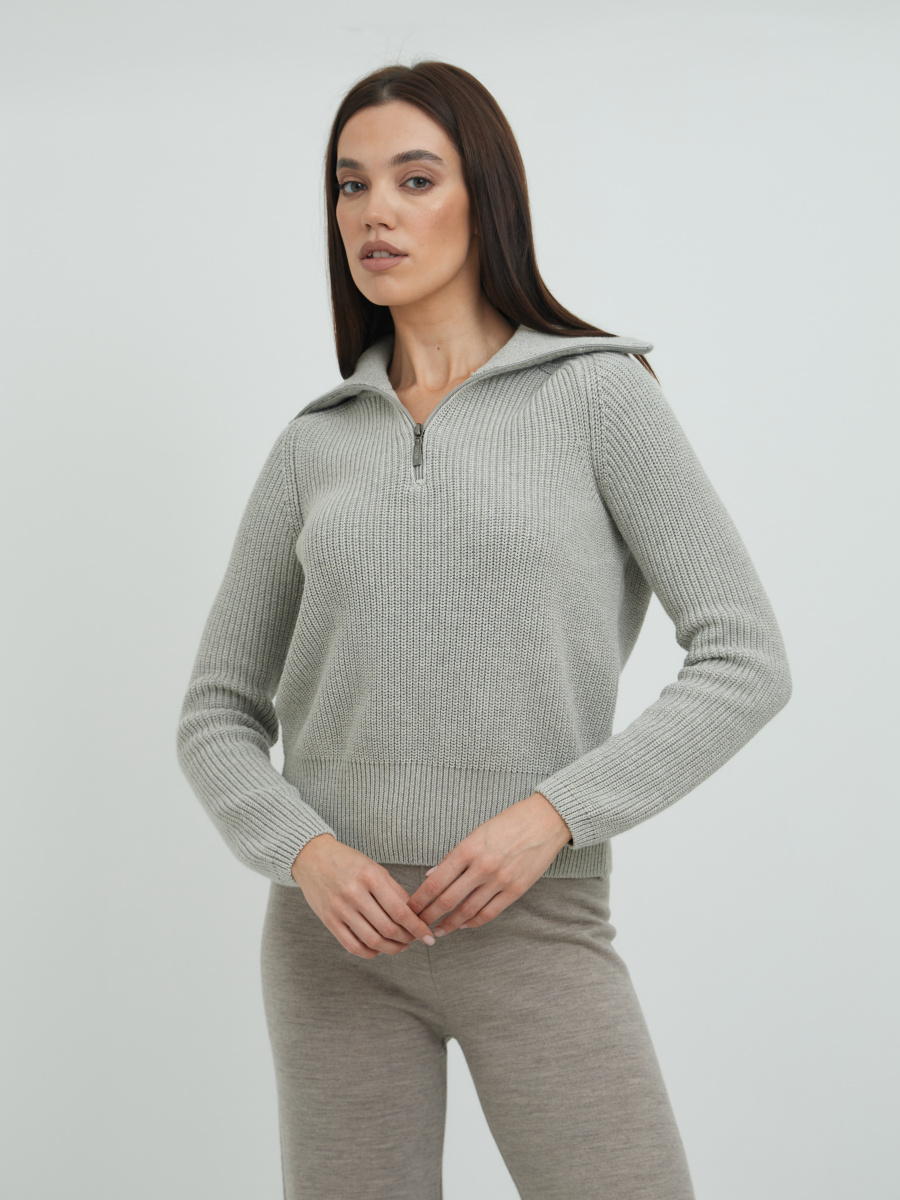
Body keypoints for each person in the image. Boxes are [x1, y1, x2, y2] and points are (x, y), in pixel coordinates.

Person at [176, 59, 792, 1200]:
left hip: (535, 921)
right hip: (333, 945)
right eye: (352, 185)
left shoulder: (599, 396)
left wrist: (551, 817)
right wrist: (304, 852)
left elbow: (746, 657)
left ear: (486, 198)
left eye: (416, 179)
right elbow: (216, 710)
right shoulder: (314, 444)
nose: (376, 212)